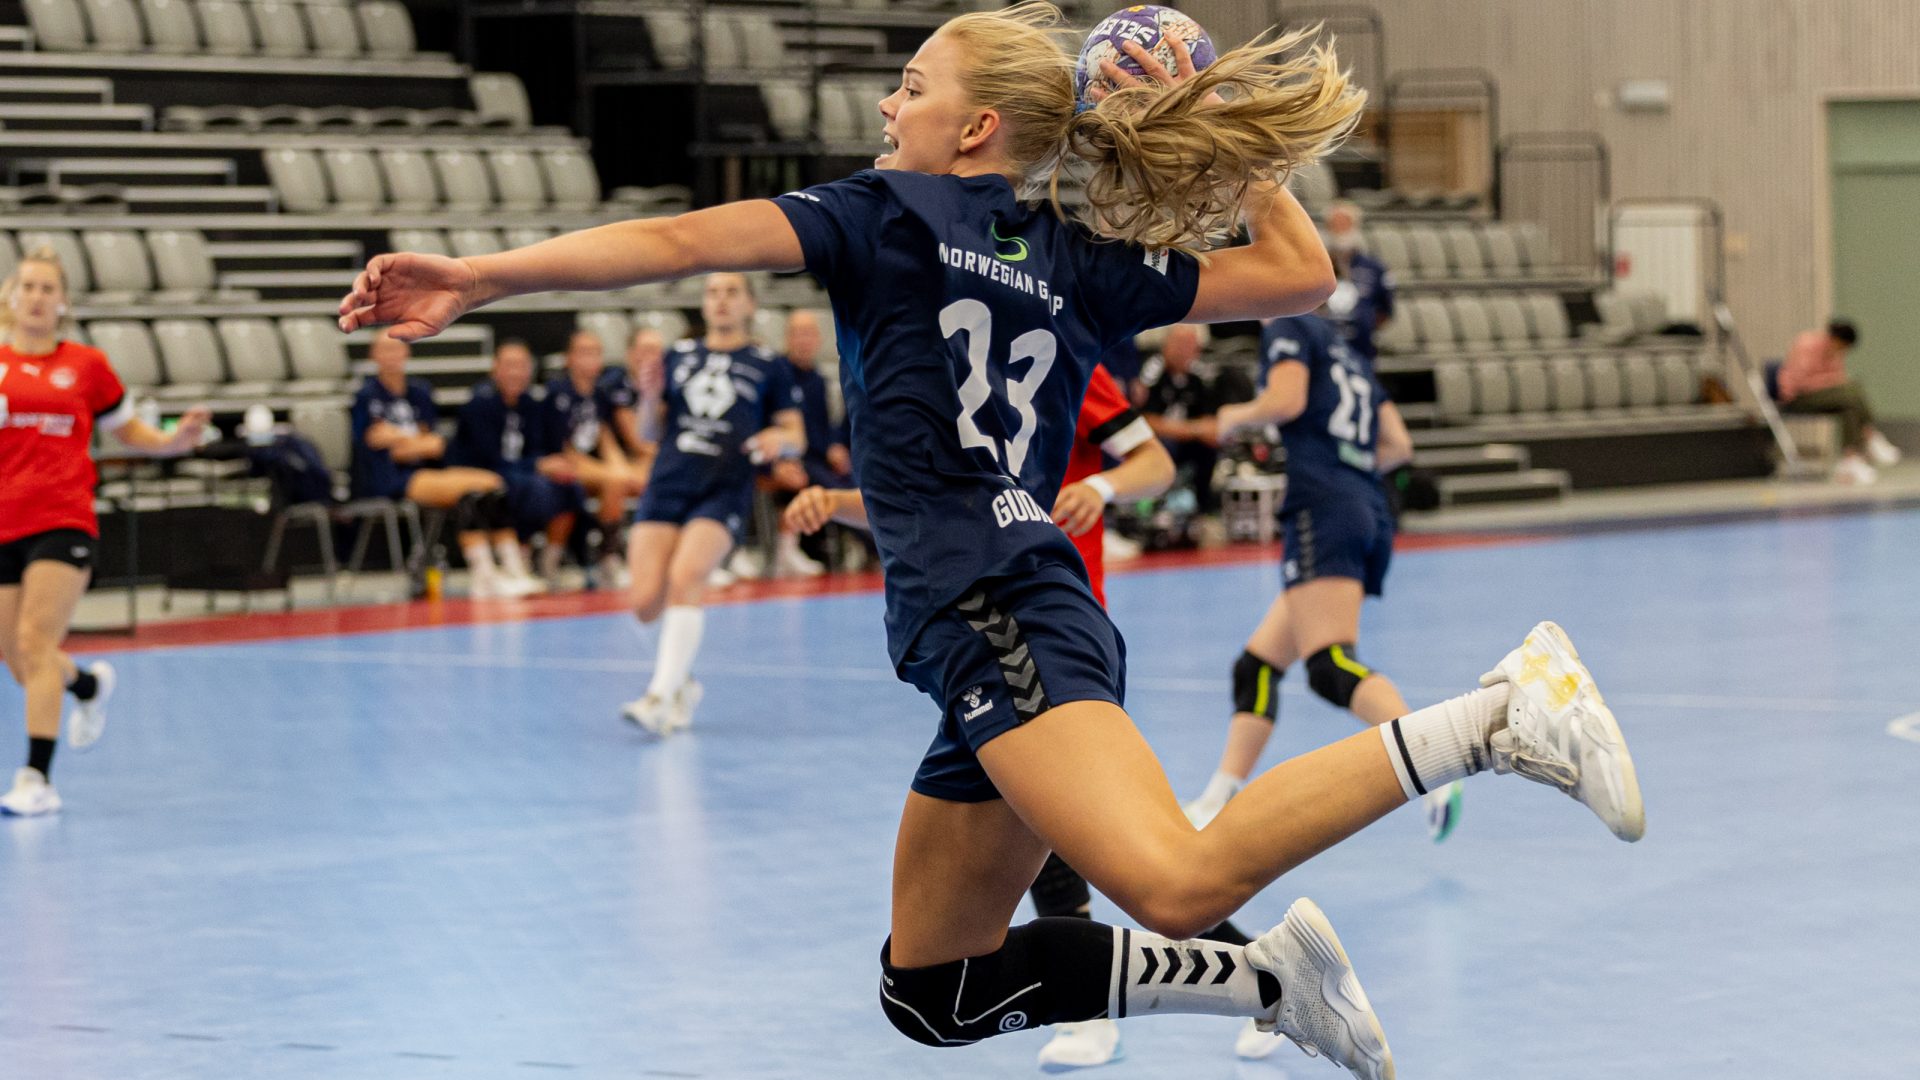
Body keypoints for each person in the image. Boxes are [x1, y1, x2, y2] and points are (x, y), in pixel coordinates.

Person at [339, 11, 1646, 1076]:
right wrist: (1231, 145)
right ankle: (1269, 982)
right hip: (994, 613)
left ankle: (1498, 716)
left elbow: (677, 243)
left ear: (973, 128)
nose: (887, 105)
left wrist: (483, 276)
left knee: (1174, 881)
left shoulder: (882, 213)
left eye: (912, 86)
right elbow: (1302, 272)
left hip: (999, 609)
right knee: (935, 991)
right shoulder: (1072, 257)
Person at [1182, 312, 1464, 861]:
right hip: (1365, 508)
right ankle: (1217, 799)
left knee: (1329, 665)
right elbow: (1398, 445)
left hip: (1321, 508)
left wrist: (1234, 417)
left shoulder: (1288, 325)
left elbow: (1285, 401)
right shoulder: (1349, 354)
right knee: (1257, 668)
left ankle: (1432, 759)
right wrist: (1349, 472)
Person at [0, 248, 208, 816]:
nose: (37, 297)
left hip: (63, 520)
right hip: (4, 523)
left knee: (35, 643)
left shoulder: (87, 365)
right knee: (17, 658)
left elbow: (127, 430)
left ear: (62, 302)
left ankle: (36, 780)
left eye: (47, 288)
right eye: (28, 287)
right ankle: (87, 687)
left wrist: (173, 442)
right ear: (12, 297)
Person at [615, 272, 804, 735]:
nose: (721, 301)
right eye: (713, 292)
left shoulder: (769, 364)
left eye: (732, 292)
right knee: (644, 603)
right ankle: (682, 683)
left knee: (686, 578)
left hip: (724, 487)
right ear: (703, 304)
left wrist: (777, 440)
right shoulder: (678, 356)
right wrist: (649, 397)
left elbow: (796, 436)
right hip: (668, 482)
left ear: (750, 305)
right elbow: (647, 433)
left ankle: (658, 698)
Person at [349, 331, 534, 598]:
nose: (391, 356)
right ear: (373, 355)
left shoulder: (419, 392)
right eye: (385, 350)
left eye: (396, 348)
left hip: (425, 469)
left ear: (406, 352)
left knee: (491, 482)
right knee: (470, 491)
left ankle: (510, 567)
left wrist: (398, 437)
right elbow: (375, 443)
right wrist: (415, 440)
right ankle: (485, 574)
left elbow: (435, 444)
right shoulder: (367, 396)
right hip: (386, 477)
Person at [450, 340, 580, 594]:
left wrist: (553, 464)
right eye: (509, 365)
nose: (515, 373)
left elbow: (543, 448)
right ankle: (515, 562)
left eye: (521, 366)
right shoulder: (479, 405)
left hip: (522, 472)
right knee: (530, 488)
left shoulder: (532, 405)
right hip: (484, 472)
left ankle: (550, 564)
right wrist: (538, 464)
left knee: (569, 486)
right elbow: (488, 458)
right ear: (495, 368)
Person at [546, 330, 651, 587]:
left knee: (627, 479)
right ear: (569, 358)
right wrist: (613, 472)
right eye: (584, 352)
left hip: (591, 464)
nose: (591, 359)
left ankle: (614, 557)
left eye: (596, 353)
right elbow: (566, 449)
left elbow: (605, 437)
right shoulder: (558, 391)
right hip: (563, 461)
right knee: (615, 480)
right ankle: (600, 559)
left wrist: (620, 467)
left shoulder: (601, 392)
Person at [766, 309, 853, 575]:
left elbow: (828, 427)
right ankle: (786, 553)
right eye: (797, 334)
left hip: (819, 458)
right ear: (787, 338)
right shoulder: (777, 374)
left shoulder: (819, 380)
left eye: (808, 334)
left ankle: (869, 550)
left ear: (818, 339)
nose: (803, 341)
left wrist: (835, 447)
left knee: (857, 482)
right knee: (832, 490)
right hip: (792, 458)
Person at [1777, 319, 1901, 484]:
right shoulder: (1806, 344)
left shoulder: (1835, 353)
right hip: (1796, 399)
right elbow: (1801, 383)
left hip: (1820, 397)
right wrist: (1829, 382)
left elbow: (1839, 378)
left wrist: (1831, 382)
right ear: (1836, 340)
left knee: (1849, 405)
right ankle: (1870, 436)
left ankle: (1850, 459)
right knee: (1851, 392)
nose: (1843, 351)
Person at [1139, 323, 1224, 511]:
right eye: (1179, 345)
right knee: (1162, 444)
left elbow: (1211, 425)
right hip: (1157, 440)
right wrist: (1192, 429)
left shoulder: (1200, 375)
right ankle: (1152, 505)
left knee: (1209, 447)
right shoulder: (1153, 370)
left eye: (1189, 346)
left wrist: (1194, 430)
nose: (1183, 352)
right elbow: (1146, 420)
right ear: (1166, 346)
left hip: (1186, 440)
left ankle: (1203, 506)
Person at [1321, 200, 1395, 362]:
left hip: (1361, 348)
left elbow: (1385, 310)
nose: (1340, 229)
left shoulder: (1374, 267)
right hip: (1323, 346)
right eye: (1335, 224)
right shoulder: (1317, 265)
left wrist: (1364, 323)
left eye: (1344, 223)